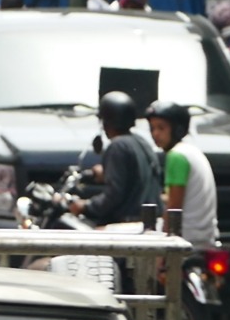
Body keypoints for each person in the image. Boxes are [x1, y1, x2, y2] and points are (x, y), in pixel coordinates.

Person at [68, 92, 161, 226]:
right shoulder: (142, 142)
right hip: (149, 220)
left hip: (127, 224)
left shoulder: (117, 146)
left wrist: (86, 206)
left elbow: (114, 195)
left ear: (105, 122)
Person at [145, 99, 219, 250]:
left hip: (186, 236)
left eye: (161, 128)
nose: (155, 134)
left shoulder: (176, 155)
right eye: (152, 128)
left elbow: (173, 209)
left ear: (177, 129)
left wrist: (161, 254)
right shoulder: (191, 151)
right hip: (205, 235)